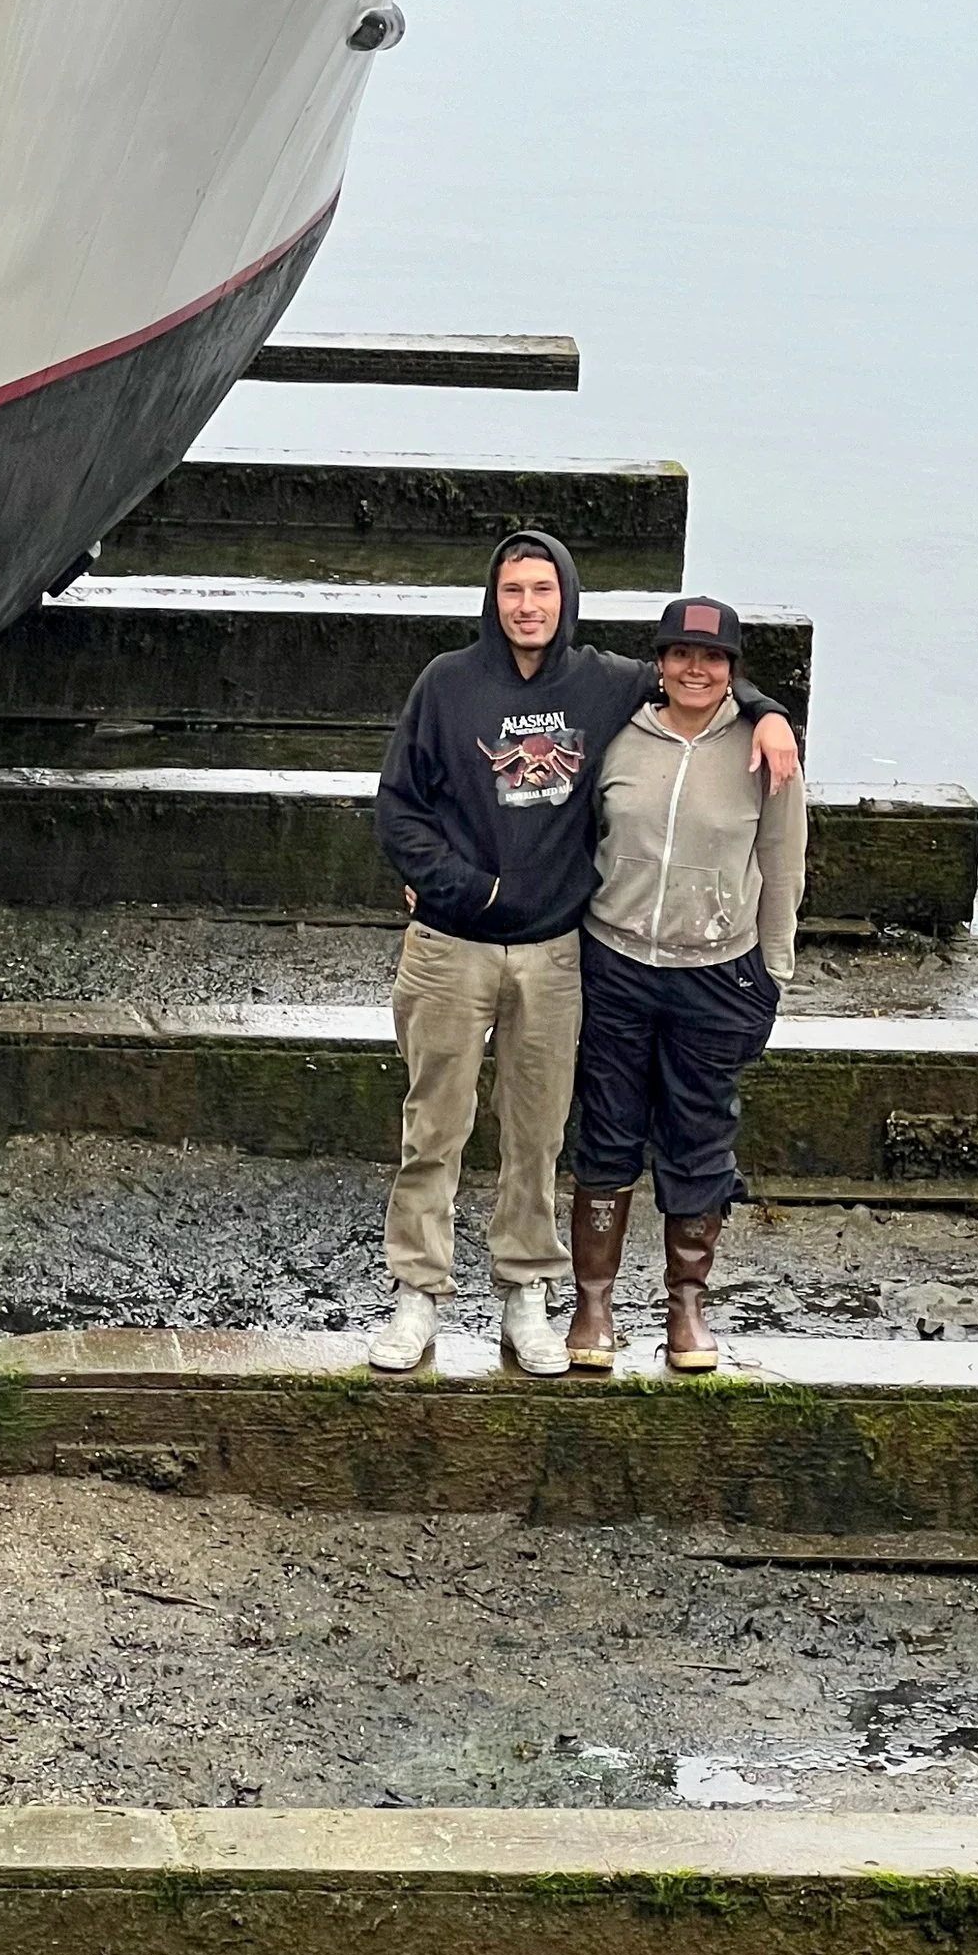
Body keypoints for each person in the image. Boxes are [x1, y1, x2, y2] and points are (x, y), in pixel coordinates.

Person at [368, 533, 798, 1377]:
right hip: (450, 946)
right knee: (434, 1126)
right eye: (513, 590)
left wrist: (769, 711)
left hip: (554, 953)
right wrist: (465, 887)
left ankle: (525, 1290)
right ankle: (417, 1291)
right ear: (493, 599)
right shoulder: (445, 683)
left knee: (537, 1136)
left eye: (543, 589)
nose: (528, 606)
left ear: (567, 596)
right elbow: (397, 809)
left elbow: (697, 678)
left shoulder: (604, 683)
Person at [565, 594, 805, 1377]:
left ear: (732, 669)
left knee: (700, 1138)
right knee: (607, 1130)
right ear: (660, 662)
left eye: (712, 657)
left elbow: (783, 865)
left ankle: (686, 1304)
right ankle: (593, 1302)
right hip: (615, 961)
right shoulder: (618, 734)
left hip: (717, 972)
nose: (695, 669)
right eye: (680, 654)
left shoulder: (765, 750)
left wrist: (773, 972)